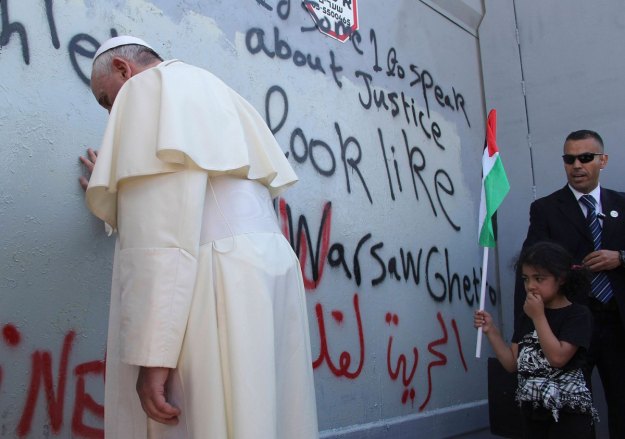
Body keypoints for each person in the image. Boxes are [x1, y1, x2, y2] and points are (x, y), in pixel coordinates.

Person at [78, 36, 319, 438]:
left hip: (214, 280)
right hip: (270, 270)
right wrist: (122, 180)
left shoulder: (143, 92)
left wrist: (152, 359)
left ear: (124, 69)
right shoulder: (212, 86)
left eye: (106, 100)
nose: (110, 113)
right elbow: (198, 198)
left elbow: (160, 235)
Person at [513, 129, 625, 438]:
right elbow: (529, 265)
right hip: (570, 326)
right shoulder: (546, 209)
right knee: (572, 409)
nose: (577, 165)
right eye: (569, 158)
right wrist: (520, 330)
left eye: (585, 158)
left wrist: (620, 257)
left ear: (602, 160)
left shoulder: (622, 203)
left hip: (617, 321)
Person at [476, 241, 597, 438]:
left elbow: (558, 358)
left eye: (539, 278)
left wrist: (538, 317)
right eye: (525, 279)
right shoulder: (528, 315)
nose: (530, 286)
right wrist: (491, 331)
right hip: (533, 411)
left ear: (561, 279)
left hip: (567, 412)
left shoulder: (577, 315)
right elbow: (512, 364)